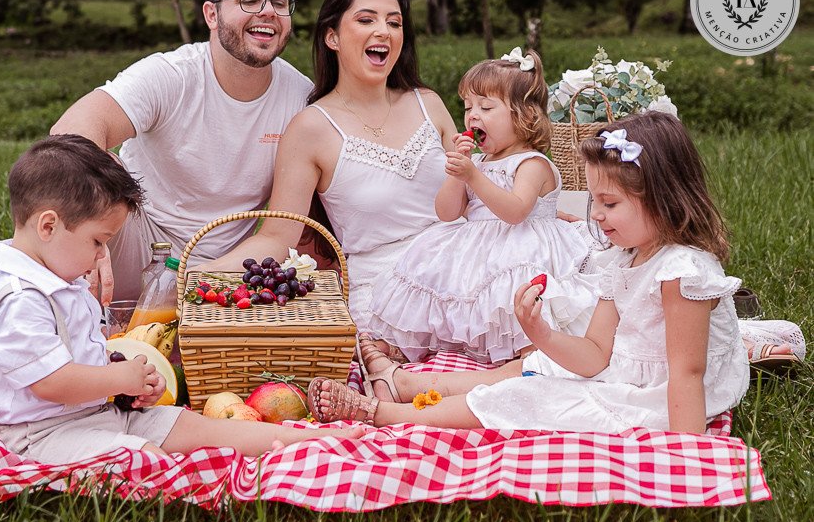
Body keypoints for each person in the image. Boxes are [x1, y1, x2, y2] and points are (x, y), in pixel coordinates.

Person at [0, 0, 313, 396]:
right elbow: (73, 130)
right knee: (58, 213)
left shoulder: (299, 95)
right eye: (249, 0)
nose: (267, 12)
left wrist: (195, 277)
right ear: (211, 13)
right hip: (136, 234)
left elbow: (285, 226)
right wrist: (95, 223)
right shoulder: (171, 74)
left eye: (280, 2)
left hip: (225, 256)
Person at [306, 111, 751, 435]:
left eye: (609, 203)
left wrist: (688, 458)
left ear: (664, 196)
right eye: (593, 200)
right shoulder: (622, 259)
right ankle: (407, 387)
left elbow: (687, 375)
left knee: (529, 397)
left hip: (658, 394)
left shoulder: (681, 270)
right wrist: (540, 332)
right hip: (619, 368)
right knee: (536, 366)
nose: (594, 215)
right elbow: (594, 353)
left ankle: (383, 414)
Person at [0, 135, 360, 465]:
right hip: (39, 434)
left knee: (191, 426)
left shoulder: (59, 279)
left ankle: (303, 443)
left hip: (93, 413)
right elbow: (52, 383)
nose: (102, 255)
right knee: (141, 459)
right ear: (48, 225)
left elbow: (81, 358)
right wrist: (117, 379)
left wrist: (127, 384)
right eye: (97, 241)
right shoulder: (21, 299)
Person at [201, 0, 458, 334]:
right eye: (366, 20)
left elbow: (477, 184)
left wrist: (543, 207)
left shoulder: (428, 102)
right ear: (332, 36)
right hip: (391, 295)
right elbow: (276, 237)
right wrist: (197, 277)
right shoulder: (311, 129)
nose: (384, 31)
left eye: (394, 22)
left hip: (466, 272)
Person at [367, 49, 597, 364]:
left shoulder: (531, 163)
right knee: (445, 280)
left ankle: (526, 352)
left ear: (524, 115)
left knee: (510, 290)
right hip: (477, 247)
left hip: (522, 246)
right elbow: (447, 213)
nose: (473, 115)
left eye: (486, 107)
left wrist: (473, 175)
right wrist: (457, 174)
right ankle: (429, 346)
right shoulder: (478, 162)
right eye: (468, 107)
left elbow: (515, 211)